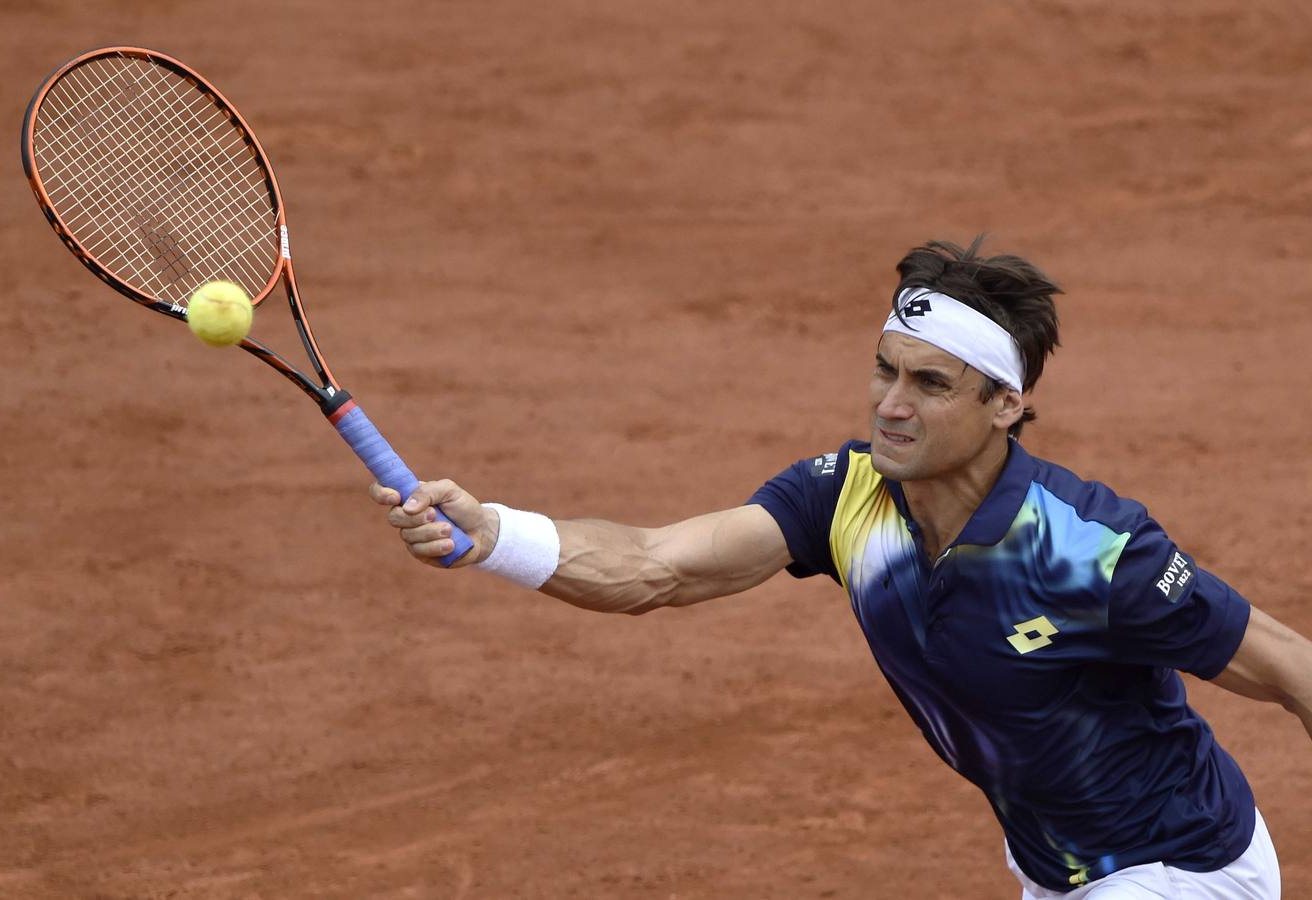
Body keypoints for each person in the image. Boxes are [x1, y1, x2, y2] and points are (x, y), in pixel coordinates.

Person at [370, 238, 1309, 898]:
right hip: (1056, 869)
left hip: (1182, 870)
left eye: (930, 384)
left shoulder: (1092, 550)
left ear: (1004, 408)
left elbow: (1288, 665)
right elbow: (658, 566)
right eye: (884, 370)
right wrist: (494, 533)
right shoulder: (846, 497)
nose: (890, 406)